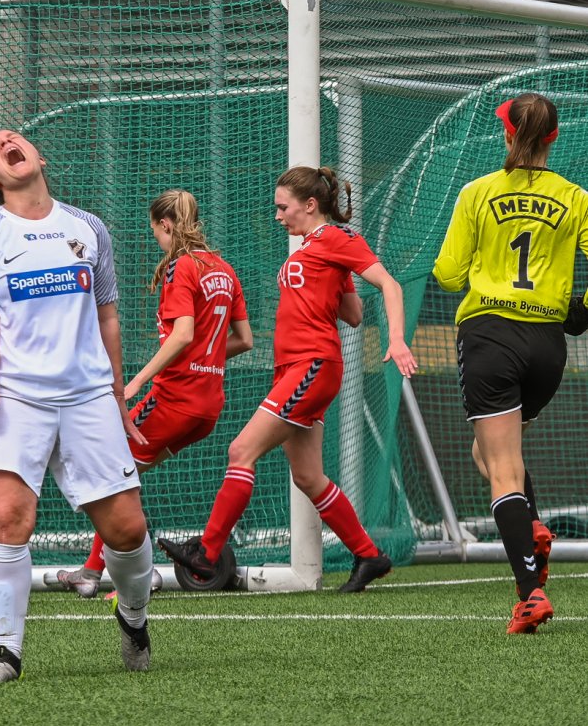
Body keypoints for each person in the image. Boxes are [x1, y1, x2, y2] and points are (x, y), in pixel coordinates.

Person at [159, 166, 417, 593]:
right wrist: (336, 279)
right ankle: (369, 555)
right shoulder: (314, 247)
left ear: (310, 205)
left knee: (241, 450)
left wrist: (396, 339)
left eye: (283, 207)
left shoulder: (335, 237)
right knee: (308, 477)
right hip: (296, 368)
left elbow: (389, 285)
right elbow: (352, 314)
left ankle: (207, 554)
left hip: (311, 365)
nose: (278, 216)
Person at [0, 129, 156, 682]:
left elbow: (108, 315)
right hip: (16, 398)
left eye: (13, 136)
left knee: (126, 530)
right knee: (7, 516)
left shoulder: (89, 228)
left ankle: (133, 617)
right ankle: (6, 653)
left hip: (89, 395)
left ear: (39, 158)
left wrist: (117, 394)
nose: (5, 138)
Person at [433, 93, 588, 634]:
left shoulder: (477, 192)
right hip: (548, 345)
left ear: (506, 134)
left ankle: (530, 594)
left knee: (499, 468)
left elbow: (449, 274)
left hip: (491, 338)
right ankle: (533, 524)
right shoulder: (575, 197)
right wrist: (582, 310)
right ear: (553, 138)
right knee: (491, 453)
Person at [55, 188, 253, 598]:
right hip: (208, 406)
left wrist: (137, 380)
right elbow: (244, 340)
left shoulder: (182, 267)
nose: (157, 240)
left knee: (112, 477)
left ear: (165, 224)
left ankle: (135, 574)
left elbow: (182, 334)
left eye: (156, 233)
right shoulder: (224, 268)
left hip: (173, 400)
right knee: (123, 477)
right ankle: (91, 572)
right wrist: (205, 357)